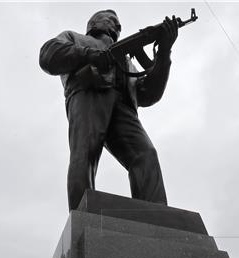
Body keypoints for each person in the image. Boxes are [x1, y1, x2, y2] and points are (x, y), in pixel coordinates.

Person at [40, 10, 178, 210]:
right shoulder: (75, 38)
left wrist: (164, 53)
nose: (116, 26)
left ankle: (158, 217)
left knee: (146, 155)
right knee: (85, 153)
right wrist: (90, 54)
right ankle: (83, 215)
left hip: (125, 109)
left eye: (119, 24)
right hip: (88, 94)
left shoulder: (127, 61)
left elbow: (149, 94)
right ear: (93, 23)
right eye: (111, 20)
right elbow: (48, 56)